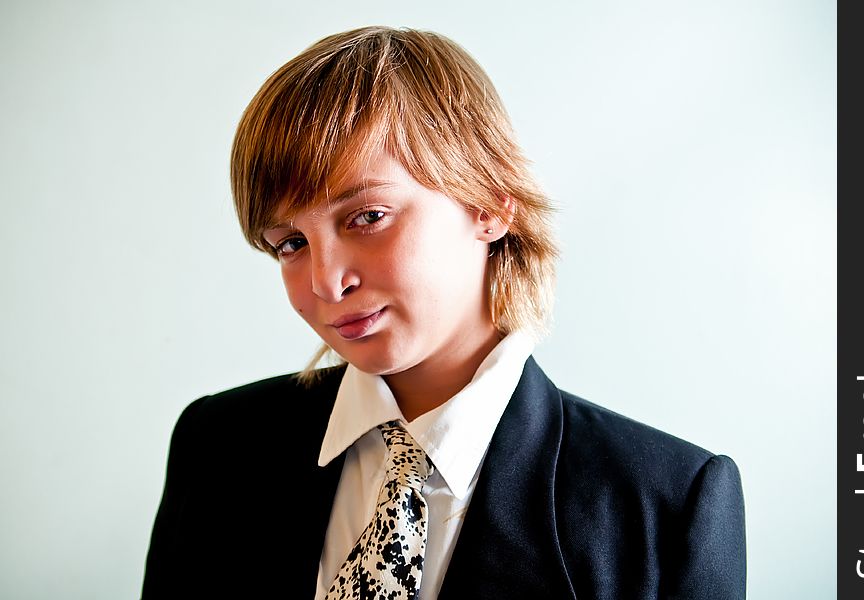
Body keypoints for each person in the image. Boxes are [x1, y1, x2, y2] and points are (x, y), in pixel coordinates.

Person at [141, 26, 746, 599]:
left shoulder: (665, 504)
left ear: (488, 203)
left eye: (367, 216)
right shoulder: (217, 447)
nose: (326, 281)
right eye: (290, 244)